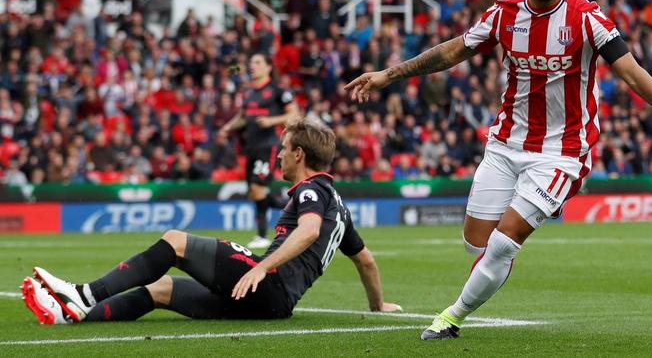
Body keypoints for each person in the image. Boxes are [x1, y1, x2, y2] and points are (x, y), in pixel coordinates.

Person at [344, 0, 652, 340]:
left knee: (504, 243)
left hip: (562, 153)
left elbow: (633, 74)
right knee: (476, 245)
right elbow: (453, 50)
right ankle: (481, 281)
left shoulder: (587, 17)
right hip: (505, 146)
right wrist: (388, 74)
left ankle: (451, 318)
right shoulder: (504, 14)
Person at [21, 117, 401, 324]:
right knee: (161, 288)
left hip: (265, 286)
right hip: (269, 304)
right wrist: (377, 305)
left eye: (284, 149)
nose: (279, 156)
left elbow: (309, 230)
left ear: (299, 154)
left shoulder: (310, 191)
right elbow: (365, 260)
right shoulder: (339, 205)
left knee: (175, 240)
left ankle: (83, 294)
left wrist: (261, 268)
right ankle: (67, 315)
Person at [221, 53, 299, 249]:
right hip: (250, 146)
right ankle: (299, 207)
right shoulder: (248, 92)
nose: (252, 66)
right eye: (251, 62)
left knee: (258, 189)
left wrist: (271, 121)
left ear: (268, 67)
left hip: (268, 145)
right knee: (255, 193)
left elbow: (294, 114)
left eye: (257, 62)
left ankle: (263, 235)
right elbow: (242, 116)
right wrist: (228, 127)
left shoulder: (277, 90)